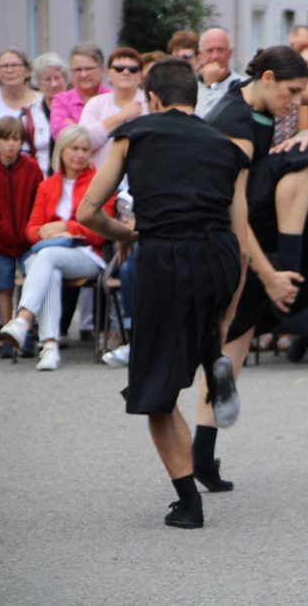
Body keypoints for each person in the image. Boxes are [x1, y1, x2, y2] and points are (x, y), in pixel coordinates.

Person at [76, 57, 247, 529]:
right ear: (194, 97)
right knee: (200, 326)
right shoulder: (228, 147)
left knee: (156, 391)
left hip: (165, 256)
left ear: (152, 98)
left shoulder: (137, 133)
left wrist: (129, 235)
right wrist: (229, 310)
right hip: (219, 257)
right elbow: (242, 237)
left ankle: (188, 505)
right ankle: (214, 357)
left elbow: (89, 211)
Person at [201, 45, 308, 491]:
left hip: (255, 207)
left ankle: (202, 457)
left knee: (237, 344)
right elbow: (235, 214)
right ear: (267, 78)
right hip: (227, 223)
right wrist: (270, 275)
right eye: (291, 92)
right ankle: (288, 267)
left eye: (302, 92)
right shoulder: (237, 128)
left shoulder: (263, 94)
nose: (296, 101)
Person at [0, 125, 115, 371]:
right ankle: (50, 347)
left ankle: (23, 320)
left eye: (85, 149)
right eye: (75, 148)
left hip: (87, 255)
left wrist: (67, 227)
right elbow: (31, 230)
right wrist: (46, 231)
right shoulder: (47, 185)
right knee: (49, 267)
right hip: (48, 253)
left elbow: (101, 231)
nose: (80, 154)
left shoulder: (99, 183)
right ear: (61, 151)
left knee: (45, 258)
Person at [0, 117, 44, 358]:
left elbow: (39, 199)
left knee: (30, 284)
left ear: (22, 142)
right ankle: (6, 335)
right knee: (3, 287)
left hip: (26, 240)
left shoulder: (32, 167)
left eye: (16, 140)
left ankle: (26, 332)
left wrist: (30, 227)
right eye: (6, 140)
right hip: (0, 242)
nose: (11, 145)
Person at [78, 47, 147, 171]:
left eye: (133, 69)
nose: (126, 72)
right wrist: (120, 117)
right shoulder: (95, 103)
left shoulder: (150, 104)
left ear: (140, 76)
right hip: (101, 180)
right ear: (109, 74)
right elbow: (83, 142)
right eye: (119, 68)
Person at [0, 49, 51, 175]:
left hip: (40, 173)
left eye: (15, 65)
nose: (10, 70)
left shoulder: (42, 101)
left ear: (28, 72)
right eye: (4, 66)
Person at [50, 43, 109, 140]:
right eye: (78, 69)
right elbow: (59, 134)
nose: (83, 74)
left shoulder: (112, 97)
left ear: (102, 68)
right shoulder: (61, 100)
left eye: (88, 68)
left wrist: (76, 128)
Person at [195, 28, 246, 117]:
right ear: (200, 55)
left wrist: (212, 85)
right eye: (210, 51)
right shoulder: (191, 87)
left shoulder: (243, 85)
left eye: (220, 50)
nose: (215, 56)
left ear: (230, 53)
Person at [30, 52, 70, 161]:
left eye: (57, 78)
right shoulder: (30, 114)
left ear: (66, 79)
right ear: (38, 84)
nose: (54, 84)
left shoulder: (79, 107)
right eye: (47, 79)